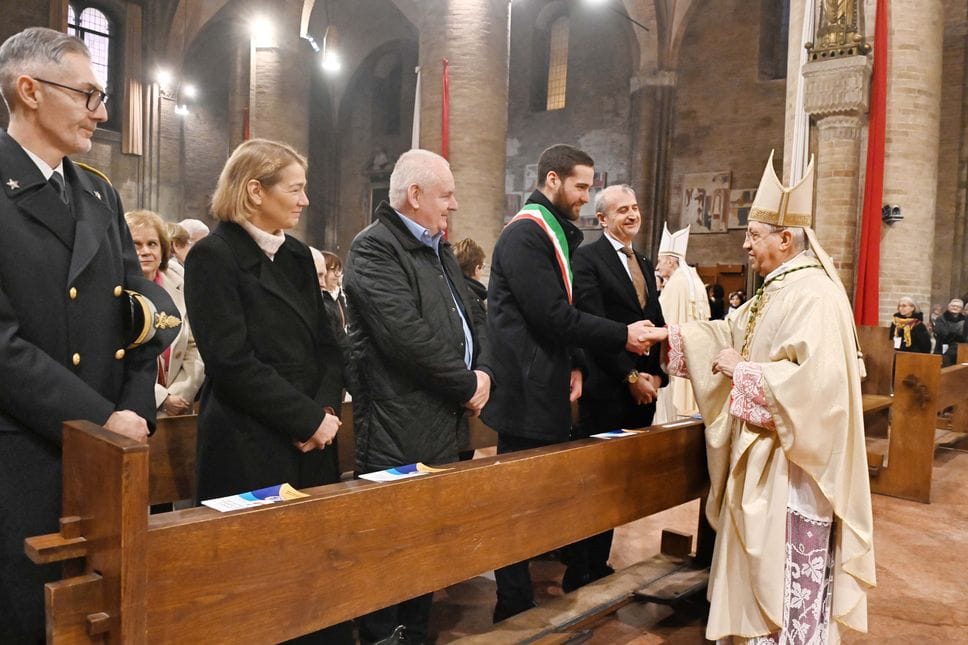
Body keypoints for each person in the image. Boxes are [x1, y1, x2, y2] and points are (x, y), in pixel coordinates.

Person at [640, 152, 875, 643]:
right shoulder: (779, 289)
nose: (745, 244)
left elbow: (818, 387)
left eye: (753, 234)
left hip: (795, 467)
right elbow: (731, 330)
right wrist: (672, 335)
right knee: (758, 567)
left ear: (785, 239)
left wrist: (742, 372)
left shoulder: (814, 294)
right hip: (767, 458)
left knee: (782, 574)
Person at [0, 27, 179, 642]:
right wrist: (101, 418)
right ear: (29, 91)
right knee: (30, 619)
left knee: (104, 616)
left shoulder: (97, 191)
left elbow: (143, 311)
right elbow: (3, 346)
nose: (100, 113)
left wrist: (133, 409)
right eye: (87, 95)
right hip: (25, 455)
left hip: (106, 453)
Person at [184, 138, 352, 644]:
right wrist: (305, 419)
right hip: (249, 439)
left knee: (313, 580)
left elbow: (329, 346)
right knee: (254, 592)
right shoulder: (213, 256)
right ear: (255, 191)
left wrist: (323, 414)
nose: (305, 200)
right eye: (295, 189)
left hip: (313, 439)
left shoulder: (298, 255)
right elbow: (230, 360)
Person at [481, 143, 654, 622]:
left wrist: (577, 361)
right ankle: (512, 604)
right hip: (524, 391)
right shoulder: (526, 234)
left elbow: (558, 314)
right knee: (518, 504)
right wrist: (621, 334)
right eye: (580, 186)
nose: (585, 196)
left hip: (545, 387)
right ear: (552, 180)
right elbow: (552, 315)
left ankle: (523, 597)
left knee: (538, 501)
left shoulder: (552, 232)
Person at [342, 148, 492, 645]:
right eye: (446, 195)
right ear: (414, 195)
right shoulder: (373, 249)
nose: (454, 205)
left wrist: (485, 370)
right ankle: (385, 636)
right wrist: (466, 384)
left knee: (428, 540)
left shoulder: (437, 248)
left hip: (442, 419)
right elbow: (404, 337)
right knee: (391, 544)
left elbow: (474, 313)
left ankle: (416, 632)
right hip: (397, 422)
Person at [568, 184, 666, 591]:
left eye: (635, 207)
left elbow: (655, 318)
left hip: (642, 392)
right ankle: (579, 571)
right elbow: (594, 326)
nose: (632, 215)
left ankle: (599, 562)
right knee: (596, 484)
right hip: (608, 389)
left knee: (619, 485)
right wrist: (630, 377)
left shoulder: (642, 260)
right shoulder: (588, 258)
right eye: (622, 209)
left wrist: (657, 374)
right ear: (602, 218)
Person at [126, 210, 205, 415]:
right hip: (131, 407)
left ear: (163, 248)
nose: (145, 251)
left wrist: (180, 394)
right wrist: (161, 398)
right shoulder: (112, 289)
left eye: (152, 244)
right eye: (136, 244)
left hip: (178, 406)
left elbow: (194, 346)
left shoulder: (181, 283)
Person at [652, 223, 710, 423]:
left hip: (675, 355)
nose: (657, 267)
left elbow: (663, 321)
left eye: (660, 261)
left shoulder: (676, 284)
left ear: (671, 261)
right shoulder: (693, 280)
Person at [452, 237, 488, 460]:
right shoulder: (473, 299)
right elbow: (480, 344)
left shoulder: (453, 294)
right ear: (476, 269)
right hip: (469, 386)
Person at [311, 247, 348, 342]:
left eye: (339, 270)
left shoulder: (339, 297)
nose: (337, 275)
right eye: (333, 270)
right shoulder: (321, 302)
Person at [933, 298, 966, 366]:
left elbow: (965, 335)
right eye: (953, 305)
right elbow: (942, 332)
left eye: (958, 306)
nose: (955, 307)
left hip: (960, 349)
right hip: (942, 346)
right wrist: (957, 336)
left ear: (961, 309)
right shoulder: (941, 318)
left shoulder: (965, 320)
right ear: (948, 307)